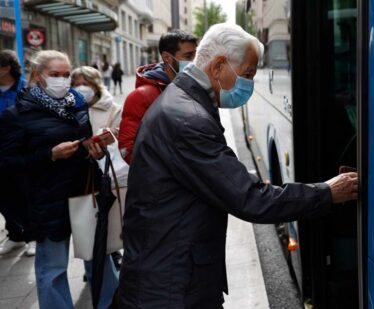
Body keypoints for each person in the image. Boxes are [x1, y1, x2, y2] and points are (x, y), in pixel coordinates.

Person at [117, 23, 358, 308]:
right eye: (247, 75)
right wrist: (327, 192)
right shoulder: (188, 119)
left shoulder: (182, 100)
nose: (249, 86)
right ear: (219, 65)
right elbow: (250, 198)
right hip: (172, 288)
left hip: (170, 274)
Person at [0, 50, 118, 309]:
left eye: (66, 75)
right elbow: (8, 164)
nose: (62, 81)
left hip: (84, 192)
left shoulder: (76, 104)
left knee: (99, 255)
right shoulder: (15, 115)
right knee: (52, 269)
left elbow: (85, 142)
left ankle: (111, 303)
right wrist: (49, 155)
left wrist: (94, 146)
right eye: (55, 75)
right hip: (46, 201)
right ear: (37, 76)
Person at [72, 66, 124, 271]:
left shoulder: (113, 109)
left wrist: (109, 138)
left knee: (108, 214)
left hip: (107, 171)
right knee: (88, 217)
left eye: (85, 83)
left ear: (95, 84)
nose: (80, 88)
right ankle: (92, 264)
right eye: (76, 84)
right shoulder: (70, 107)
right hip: (81, 172)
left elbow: (122, 140)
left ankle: (113, 251)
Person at [118, 29, 197, 163]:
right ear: (167, 57)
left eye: (196, 56)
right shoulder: (140, 96)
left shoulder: (194, 88)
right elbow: (128, 149)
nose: (194, 62)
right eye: (188, 56)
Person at [0, 50, 36, 257]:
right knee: (3, 198)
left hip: (21, 151)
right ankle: (15, 234)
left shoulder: (26, 89)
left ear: (6, 68)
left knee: (24, 195)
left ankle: (32, 236)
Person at [71, 66, 121, 135]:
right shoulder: (68, 109)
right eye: (77, 85)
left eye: (85, 84)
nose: (80, 88)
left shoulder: (115, 110)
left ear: (96, 86)